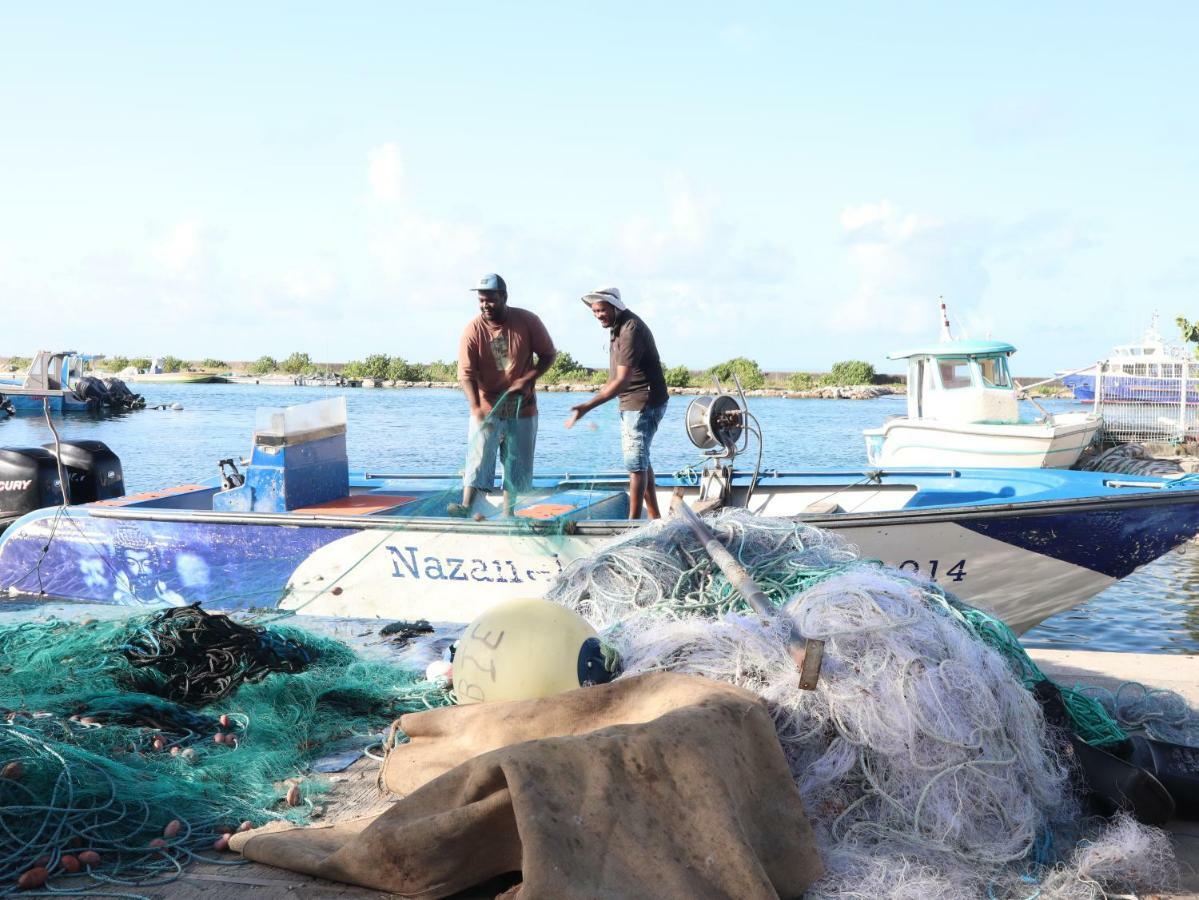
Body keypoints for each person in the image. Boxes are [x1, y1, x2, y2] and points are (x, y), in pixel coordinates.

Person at [451, 273, 556, 517]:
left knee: (515, 462)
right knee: (478, 457)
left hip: (521, 405)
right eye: (481, 300)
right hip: (488, 405)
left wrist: (527, 379)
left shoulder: (527, 321)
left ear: (504, 297)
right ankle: (466, 506)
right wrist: (475, 408)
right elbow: (466, 374)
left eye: (491, 300)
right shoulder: (472, 330)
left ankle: (509, 513)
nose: (485, 305)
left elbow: (549, 355)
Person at [565, 286, 668, 520]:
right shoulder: (617, 326)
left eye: (601, 310)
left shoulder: (630, 329)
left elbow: (621, 381)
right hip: (635, 401)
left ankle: (632, 523)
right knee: (641, 459)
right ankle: (654, 517)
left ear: (615, 307)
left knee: (634, 463)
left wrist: (586, 406)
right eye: (594, 311)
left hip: (643, 402)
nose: (598, 315)